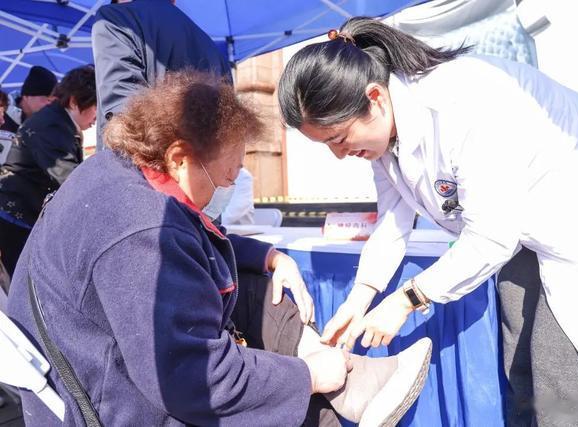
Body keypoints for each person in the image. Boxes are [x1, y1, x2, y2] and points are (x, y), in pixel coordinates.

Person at [7, 70, 432, 426]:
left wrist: (268, 256)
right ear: (179, 158)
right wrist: (307, 377)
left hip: (104, 355)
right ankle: (338, 389)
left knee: (256, 286)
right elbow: (194, 377)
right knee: (291, 403)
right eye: (226, 178)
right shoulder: (140, 233)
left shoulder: (121, 169)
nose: (226, 189)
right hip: (103, 399)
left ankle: (347, 383)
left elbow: (193, 234)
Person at [278, 17, 578, 425]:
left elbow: (491, 237)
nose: (339, 154)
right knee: (521, 372)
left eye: (339, 139)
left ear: (375, 98)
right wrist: (358, 298)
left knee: (564, 381)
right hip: (526, 234)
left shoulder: (464, 103)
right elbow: (394, 220)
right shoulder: (385, 136)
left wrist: (407, 299)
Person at [92, 0, 232, 149]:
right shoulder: (213, 49)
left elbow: (125, 116)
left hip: (142, 159)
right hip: (203, 161)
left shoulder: (116, 19)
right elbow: (230, 131)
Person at [0, 65, 96, 278]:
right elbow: (69, 176)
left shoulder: (59, 121)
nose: (97, 116)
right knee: (23, 288)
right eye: (95, 106)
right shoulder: (50, 125)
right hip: (15, 218)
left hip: (25, 216)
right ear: (74, 102)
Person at [1, 65, 57, 134]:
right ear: (27, 96)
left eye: (53, 101)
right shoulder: (2, 115)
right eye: (47, 99)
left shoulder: (47, 126)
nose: (50, 104)